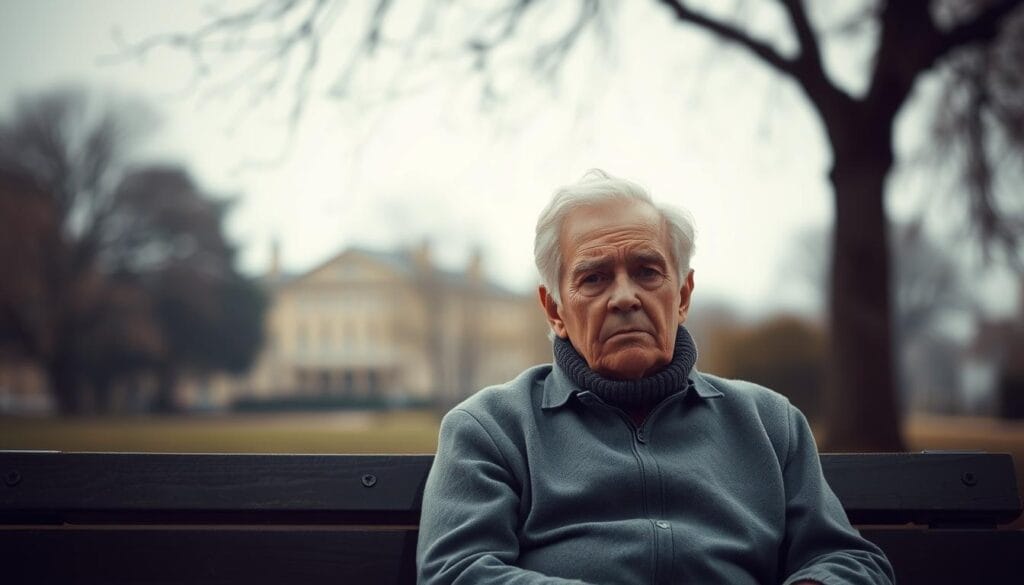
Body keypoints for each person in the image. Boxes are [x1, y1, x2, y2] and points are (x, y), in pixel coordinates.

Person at [417, 170, 894, 584]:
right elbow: (456, 572)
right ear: (554, 309)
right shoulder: (491, 429)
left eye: (647, 272)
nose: (624, 297)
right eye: (594, 278)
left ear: (682, 296)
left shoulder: (770, 423)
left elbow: (847, 559)